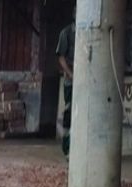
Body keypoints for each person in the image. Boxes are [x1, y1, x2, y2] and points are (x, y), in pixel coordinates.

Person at [56, 15, 75, 156]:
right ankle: (67, 147)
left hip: (87, 82)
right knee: (69, 112)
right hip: (71, 81)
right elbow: (61, 57)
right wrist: (70, 73)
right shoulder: (66, 33)